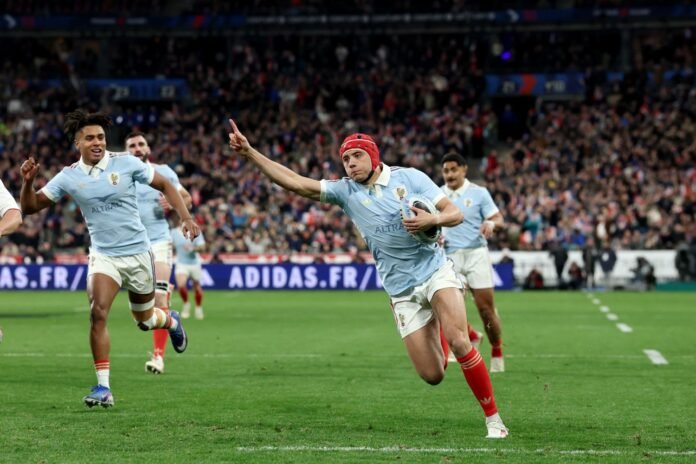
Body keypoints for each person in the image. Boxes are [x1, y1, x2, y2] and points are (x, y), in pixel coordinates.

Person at [227, 120, 508, 438]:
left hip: (435, 271)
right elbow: (295, 182)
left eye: (357, 156)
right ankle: (437, 327)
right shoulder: (345, 191)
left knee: (460, 340)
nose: (350, 164)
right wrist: (250, 152)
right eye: (345, 159)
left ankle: (494, 420)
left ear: (373, 156)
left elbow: (455, 213)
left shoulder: (410, 178)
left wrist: (434, 219)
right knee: (433, 375)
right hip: (400, 289)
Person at [19, 109, 200, 408]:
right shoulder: (68, 176)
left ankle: (170, 321)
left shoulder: (125, 163)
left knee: (145, 320)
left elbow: (166, 185)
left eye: (101, 137)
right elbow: (29, 207)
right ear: (77, 143)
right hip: (104, 256)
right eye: (90, 138)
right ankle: (103, 387)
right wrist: (28, 182)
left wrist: (186, 217)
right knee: (98, 313)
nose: (97, 142)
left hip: (138, 254)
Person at [126, 131, 193, 375]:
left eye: (141, 144)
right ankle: (171, 319)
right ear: (126, 152)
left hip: (159, 240)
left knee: (159, 299)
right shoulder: (120, 176)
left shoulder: (163, 171)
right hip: (131, 247)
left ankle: (158, 357)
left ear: (148, 149)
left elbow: (186, 198)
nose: (137, 148)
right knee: (143, 318)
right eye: (132, 145)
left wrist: (173, 202)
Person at [439, 153, 506, 373]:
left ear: (464, 169)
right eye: (446, 171)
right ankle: (471, 336)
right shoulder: (438, 195)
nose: (450, 174)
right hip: (450, 257)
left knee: (485, 310)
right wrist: (434, 236)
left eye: (453, 169)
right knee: (448, 308)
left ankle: (496, 348)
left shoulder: (479, 193)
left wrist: (491, 224)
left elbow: (499, 219)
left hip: (476, 254)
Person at [172, 217, 206, 320]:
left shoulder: (195, 230)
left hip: (194, 263)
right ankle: (186, 304)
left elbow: (203, 247)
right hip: (181, 263)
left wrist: (193, 248)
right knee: (181, 285)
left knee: (197, 286)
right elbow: (170, 245)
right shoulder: (173, 232)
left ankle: (198, 307)